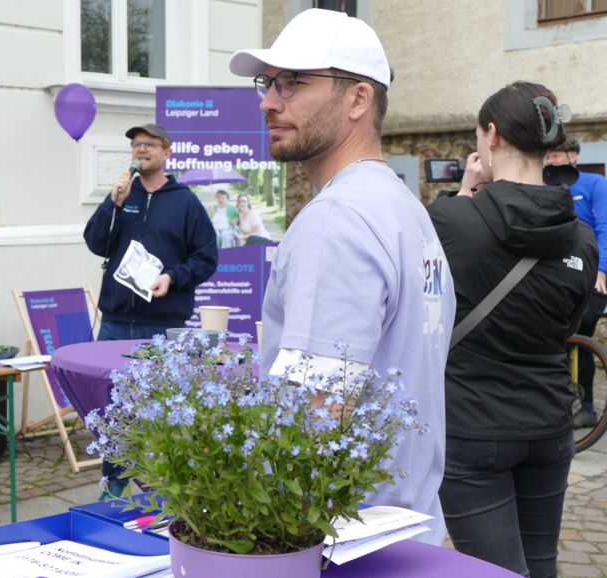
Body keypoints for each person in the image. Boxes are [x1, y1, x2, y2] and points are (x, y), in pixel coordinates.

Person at [229, 8, 455, 544]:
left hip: (344, 540)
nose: (268, 101)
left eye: (293, 82)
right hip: (404, 530)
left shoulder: (338, 219)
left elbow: (311, 417)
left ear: (358, 98)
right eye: (268, 83)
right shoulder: (401, 205)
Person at [429, 82, 595, 577]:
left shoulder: (450, 219)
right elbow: (566, 325)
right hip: (549, 426)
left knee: (494, 571)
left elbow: (430, 311)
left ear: (493, 136)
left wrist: (463, 193)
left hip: (471, 429)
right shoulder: (582, 238)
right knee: (541, 566)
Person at [83, 122, 218, 498]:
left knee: (158, 407)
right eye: (136, 145)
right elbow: (96, 243)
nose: (140, 150)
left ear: (166, 152)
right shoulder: (124, 194)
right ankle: (113, 487)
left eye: (148, 144)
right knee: (112, 407)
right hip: (114, 321)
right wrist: (113, 202)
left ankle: (162, 490)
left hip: (161, 323)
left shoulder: (185, 202)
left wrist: (173, 277)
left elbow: (206, 258)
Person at [544, 137, 607, 428]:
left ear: (573, 157)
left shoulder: (595, 184)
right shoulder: (546, 186)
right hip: (560, 270)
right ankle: (557, 399)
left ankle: (589, 406)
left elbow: (605, 227)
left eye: (557, 155)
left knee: (583, 327)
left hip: (592, 270)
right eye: (548, 155)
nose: (551, 160)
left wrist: (602, 272)